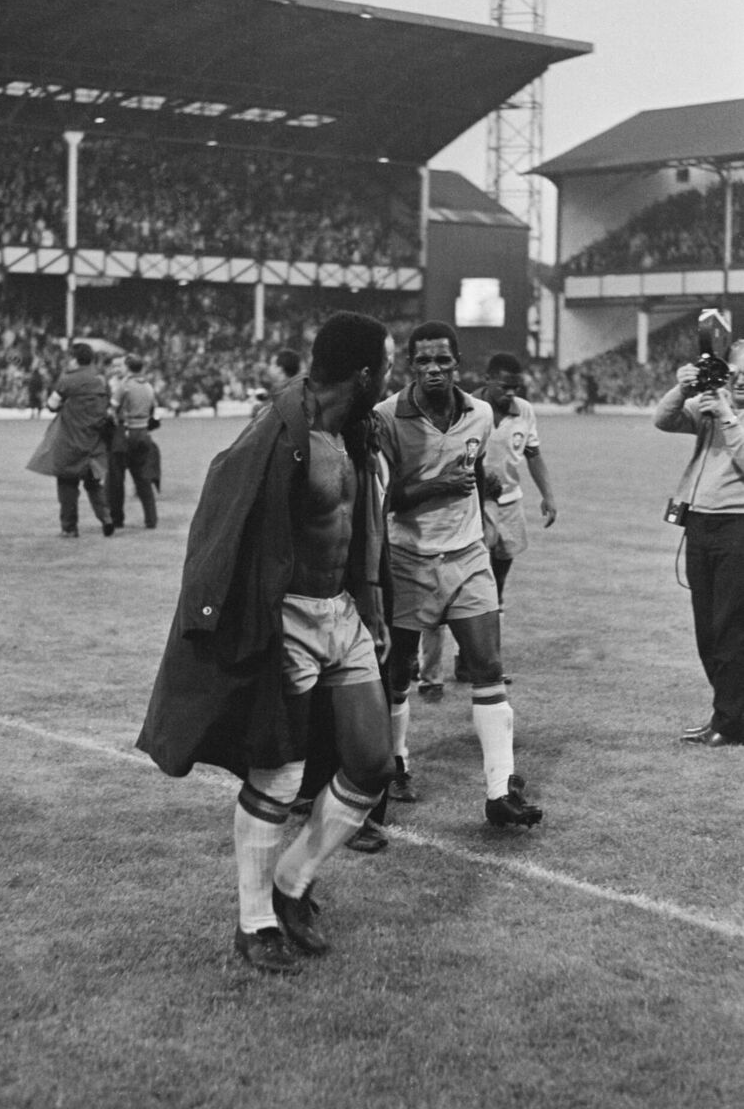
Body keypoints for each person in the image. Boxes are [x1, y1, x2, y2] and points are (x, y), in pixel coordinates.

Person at [137, 312, 396, 973]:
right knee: (277, 772)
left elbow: (362, 528)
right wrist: (237, 621)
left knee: (370, 762)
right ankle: (254, 923)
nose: (389, 378)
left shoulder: (359, 430)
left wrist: (371, 605)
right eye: (387, 367)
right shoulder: (277, 430)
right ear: (365, 373)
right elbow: (216, 530)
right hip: (284, 619)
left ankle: (290, 884)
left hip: (341, 613)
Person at [374, 321, 543, 826]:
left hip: (468, 556)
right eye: (423, 361)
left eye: (442, 361)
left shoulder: (481, 413)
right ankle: (394, 764)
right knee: (398, 672)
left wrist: (484, 484)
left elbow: (470, 469)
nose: (433, 369)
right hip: (409, 559)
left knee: (488, 667)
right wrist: (435, 486)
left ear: (457, 362)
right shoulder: (387, 417)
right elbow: (384, 499)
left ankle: (499, 793)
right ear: (409, 365)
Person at [418, 351, 558, 691]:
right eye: (505, 387)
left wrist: (548, 496)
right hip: (472, 506)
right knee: (458, 586)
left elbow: (533, 455)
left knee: (496, 588)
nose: (511, 393)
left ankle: (476, 663)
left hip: (509, 506)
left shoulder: (524, 411)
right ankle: (433, 665)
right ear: (488, 380)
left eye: (516, 387)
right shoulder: (466, 408)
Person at [653, 337, 744, 747]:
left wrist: (727, 416)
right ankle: (726, 715)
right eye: (735, 371)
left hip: (737, 527)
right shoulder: (712, 403)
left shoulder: (723, 411)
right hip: (701, 524)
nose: (740, 381)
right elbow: (664, 419)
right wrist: (683, 388)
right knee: (708, 629)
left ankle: (731, 721)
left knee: (731, 631)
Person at [26, 341, 115, 538]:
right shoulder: (101, 379)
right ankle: (107, 519)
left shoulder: (68, 380)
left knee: (67, 485)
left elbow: (51, 405)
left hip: (70, 439)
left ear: (75, 359)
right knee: (94, 484)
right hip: (94, 440)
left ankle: (69, 527)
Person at [109, 354, 159, 530]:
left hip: (126, 433)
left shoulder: (125, 386)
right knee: (143, 478)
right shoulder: (148, 386)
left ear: (128, 368)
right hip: (144, 433)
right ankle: (151, 519)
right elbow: (155, 411)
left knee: (116, 478)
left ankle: (117, 519)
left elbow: (112, 409)